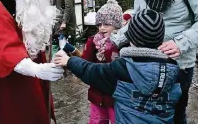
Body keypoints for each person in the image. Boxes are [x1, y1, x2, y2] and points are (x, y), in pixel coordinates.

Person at [54, 9, 182, 124]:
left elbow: (90, 71)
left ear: (131, 38)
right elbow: (179, 110)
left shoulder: (122, 68)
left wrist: (70, 61)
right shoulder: (175, 70)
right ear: (161, 39)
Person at [80, 0, 123, 124]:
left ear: (117, 25)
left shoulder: (122, 43)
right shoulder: (94, 41)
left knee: (117, 119)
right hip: (97, 91)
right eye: (99, 25)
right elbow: (85, 62)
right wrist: (90, 46)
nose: (102, 28)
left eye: (106, 24)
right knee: (97, 120)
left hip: (116, 93)